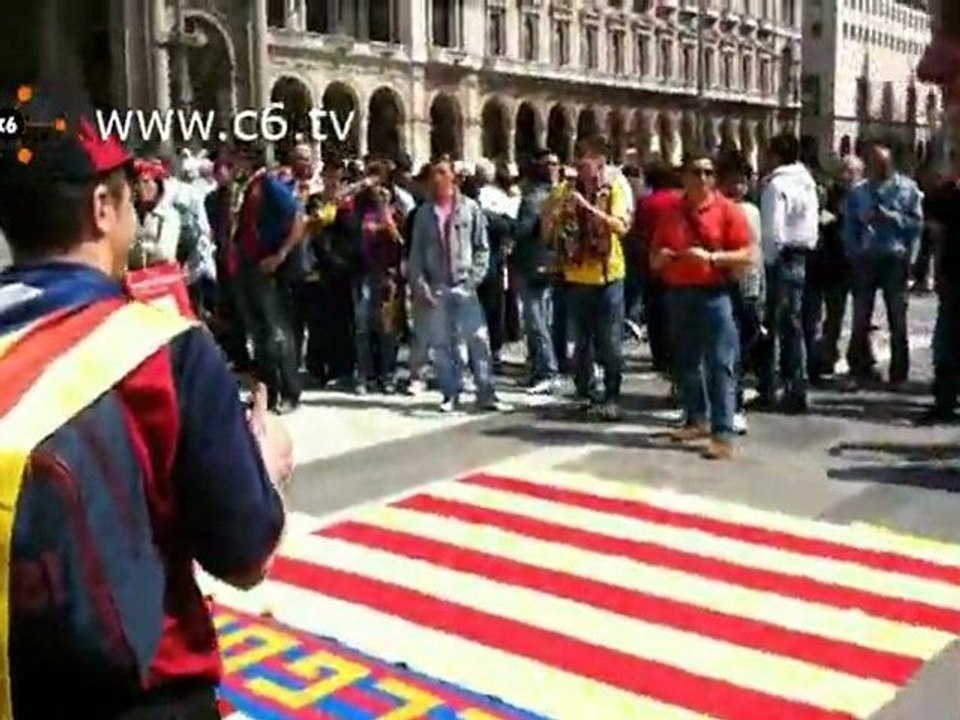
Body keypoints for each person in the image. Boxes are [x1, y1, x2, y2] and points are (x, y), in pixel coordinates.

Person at [0, 107, 291, 718]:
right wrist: (264, 465)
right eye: (132, 198)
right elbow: (244, 554)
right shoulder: (165, 351)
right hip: (135, 698)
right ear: (102, 208)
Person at [651, 148, 755, 460]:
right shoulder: (671, 212)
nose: (703, 178)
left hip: (715, 294)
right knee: (686, 363)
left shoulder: (727, 210)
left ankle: (722, 432)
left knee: (720, 364)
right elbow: (654, 255)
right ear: (683, 177)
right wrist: (662, 258)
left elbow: (748, 255)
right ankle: (695, 419)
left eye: (709, 173)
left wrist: (710, 257)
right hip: (679, 293)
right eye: (696, 172)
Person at [407, 155, 506, 412]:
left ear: (453, 177)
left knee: (477, 339)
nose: (436, 178)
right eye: (433, 174)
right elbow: (415, 253)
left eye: (442, 172)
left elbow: (482, 248)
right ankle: (450, 393)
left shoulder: (470, 208)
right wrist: (420, 285)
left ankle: (486, 392)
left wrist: (473, 280)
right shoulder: (423, 214)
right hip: (436, 285)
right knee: (441, 345)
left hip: (464, 283)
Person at [545, 136, 630, 420]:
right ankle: (585, 391)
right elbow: (547, 228)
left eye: (586, 158)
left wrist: (588, 208)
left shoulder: (614, 189)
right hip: (576, 275)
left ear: (600, 162)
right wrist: (556, 215)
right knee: (580, 342)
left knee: (610, 342)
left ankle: (612, 396)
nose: (580, 164)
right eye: (578, 157)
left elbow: (621, 227)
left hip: (608, 277)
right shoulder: (563, 191)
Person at [232, 145, 310, 413]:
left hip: (268, 268)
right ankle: (268, 390)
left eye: (237, 157)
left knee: (279, 334)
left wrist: (280, 255)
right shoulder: (245, 187)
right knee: (260, 334)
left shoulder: (269, 185)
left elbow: (298, 219)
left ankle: (289, 391)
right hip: (248, 266)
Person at [843, 140, 924, 387]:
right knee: (860, 317)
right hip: (866, 258)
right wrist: (854, 250)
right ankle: (859, 369)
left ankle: (899, 373)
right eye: (873, 163)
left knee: (897, 318)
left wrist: (892, 218)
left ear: (890, 163)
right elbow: (850, 225)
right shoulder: (859, 192)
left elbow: (917, 226)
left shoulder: (908, 190)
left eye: (882, 163)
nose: (877, 167)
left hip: (894, 258)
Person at [756, 132, 820, 414]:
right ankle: (796, 385)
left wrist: (767, 261)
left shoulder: (776, 185)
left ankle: (769, 385)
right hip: (802, 255)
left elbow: (772, 229)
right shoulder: (807, 182)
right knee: (794, 325)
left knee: (771, 324)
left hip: (781, 258)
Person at [718, 153, 764, 436]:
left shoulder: (752, 211)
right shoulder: (718, 210)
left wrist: (761, 288)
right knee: (726, 350)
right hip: (722, 285)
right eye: (732, 181)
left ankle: (734, 403)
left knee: (741, 348)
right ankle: (730, 405)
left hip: (748, 286)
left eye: (743, 181)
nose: (738, 187)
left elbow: (758, 252)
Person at [514, 149, 562, 394]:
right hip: (551, 263)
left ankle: (546, 370)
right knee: (545, 317)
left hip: (531, 263)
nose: (554, 168)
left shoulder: (534, 198)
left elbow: (522, 229)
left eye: (555, 163)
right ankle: (538, 368)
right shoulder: (558, 195)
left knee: (535, 321)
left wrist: (502, 222)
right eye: (550, 164)